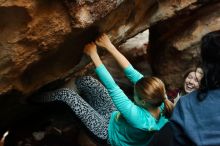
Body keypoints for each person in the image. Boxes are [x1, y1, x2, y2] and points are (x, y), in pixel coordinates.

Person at [39, 34, 174, 146]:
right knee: (87, 81)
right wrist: (109, 46)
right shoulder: (160, 97)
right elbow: (131, 72)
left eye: (135, 95)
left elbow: (113, 88)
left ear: (144, 102)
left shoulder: (139, 119)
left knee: (66, 95)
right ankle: (55, 104)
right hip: (115, 118)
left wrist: (94, 55)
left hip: (108, 133)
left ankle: (34, 100)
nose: (133, 94)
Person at [170, 30, 220, 146]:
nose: (191, 82)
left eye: (196, 80)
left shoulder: (186, 105)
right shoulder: (176, 96)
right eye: (190, 77)